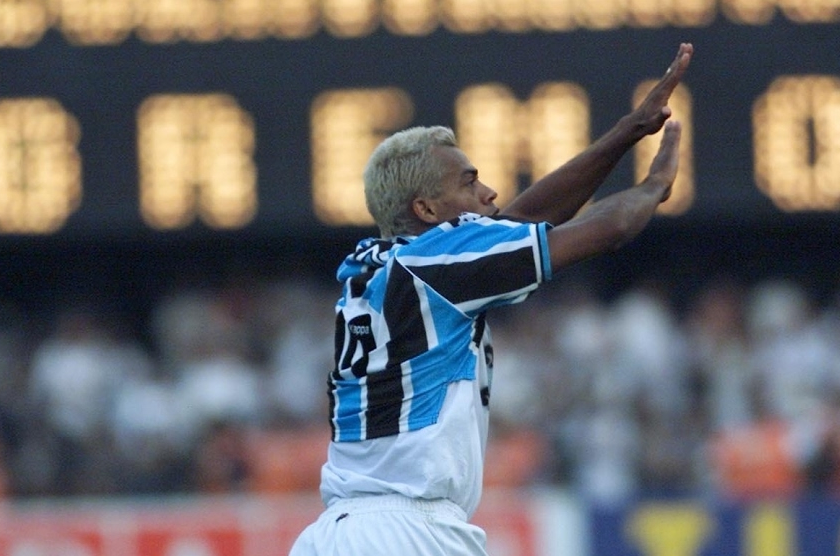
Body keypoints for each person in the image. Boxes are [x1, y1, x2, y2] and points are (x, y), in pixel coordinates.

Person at [288, 43, 694, 556]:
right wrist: (654, 185)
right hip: (410, 530)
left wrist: (627, 132)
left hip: (334, 534)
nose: (490, 192)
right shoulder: (437, 266)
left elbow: (522, 221)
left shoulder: (384, 265)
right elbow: (609, 227)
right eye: (470, 181)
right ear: (427, 207)